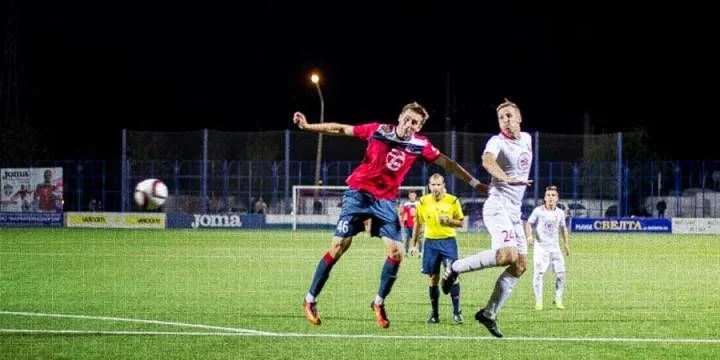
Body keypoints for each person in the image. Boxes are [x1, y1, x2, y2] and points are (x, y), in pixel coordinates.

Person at [294, 101, 488, 329]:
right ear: (400, 117)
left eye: (414, 122)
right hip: (358, 194)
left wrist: (475, 183)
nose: (409, 124)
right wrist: (308, 126)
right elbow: (341, 129)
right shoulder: (378, 130)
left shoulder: (420, 144)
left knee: (397, 253)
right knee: (338, 247)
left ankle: (378, 302)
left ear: (419, 127)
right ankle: (310, 299)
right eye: (407, 119)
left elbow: (447, 163)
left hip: (385, 202)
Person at [441, 98, 533, 338]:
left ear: (520, 117)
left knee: (520, 266)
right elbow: (487, 160)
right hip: (496, 206)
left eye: (510, 115)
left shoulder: (527, 140)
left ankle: (489, 313)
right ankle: (455, 267)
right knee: (507, 255)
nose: (506, 120)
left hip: (514, 211)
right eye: (502, 117)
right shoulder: (496, 141)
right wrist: (505, 178)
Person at [411, 173, 465, 324]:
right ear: (429, 186)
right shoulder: (423, 202)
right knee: (433, 279)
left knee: (452, 276)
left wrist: (450, 221)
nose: (436, 188)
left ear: (443, 185)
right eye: (433, 185)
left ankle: (457, 312)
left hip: (448, 242)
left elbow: (461, 223)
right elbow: (418, 224)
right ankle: (435, 315)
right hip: (430, 244)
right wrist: (414, 245)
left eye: (438, 185)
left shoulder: (452, 200)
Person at [525, 185, 570, 311]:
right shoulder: (538, 211)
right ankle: (539, 302)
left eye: (553, 195)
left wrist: (566, 244)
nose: (551, 197)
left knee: (561, 274)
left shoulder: (560, 213)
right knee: (539, 274)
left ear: (557, 198)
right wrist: (529, 236)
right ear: (545, 198)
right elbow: (528, 223)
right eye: (548, 195)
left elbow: (563, 228)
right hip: (541, 248)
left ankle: (558, 299)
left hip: (555, 248)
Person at [400, 191, 420, 256]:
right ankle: (406, 252)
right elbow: (403, 214)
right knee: (407, 239)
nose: (412, 197)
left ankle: (420, 252)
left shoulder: (418, 204)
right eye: (410, 195)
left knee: (418, 239)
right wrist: (402, 222)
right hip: (408, 225)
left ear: (415, 196)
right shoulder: (406, 204)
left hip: (416, 225)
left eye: (413, 195)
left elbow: (421, 213)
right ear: (409, 196)